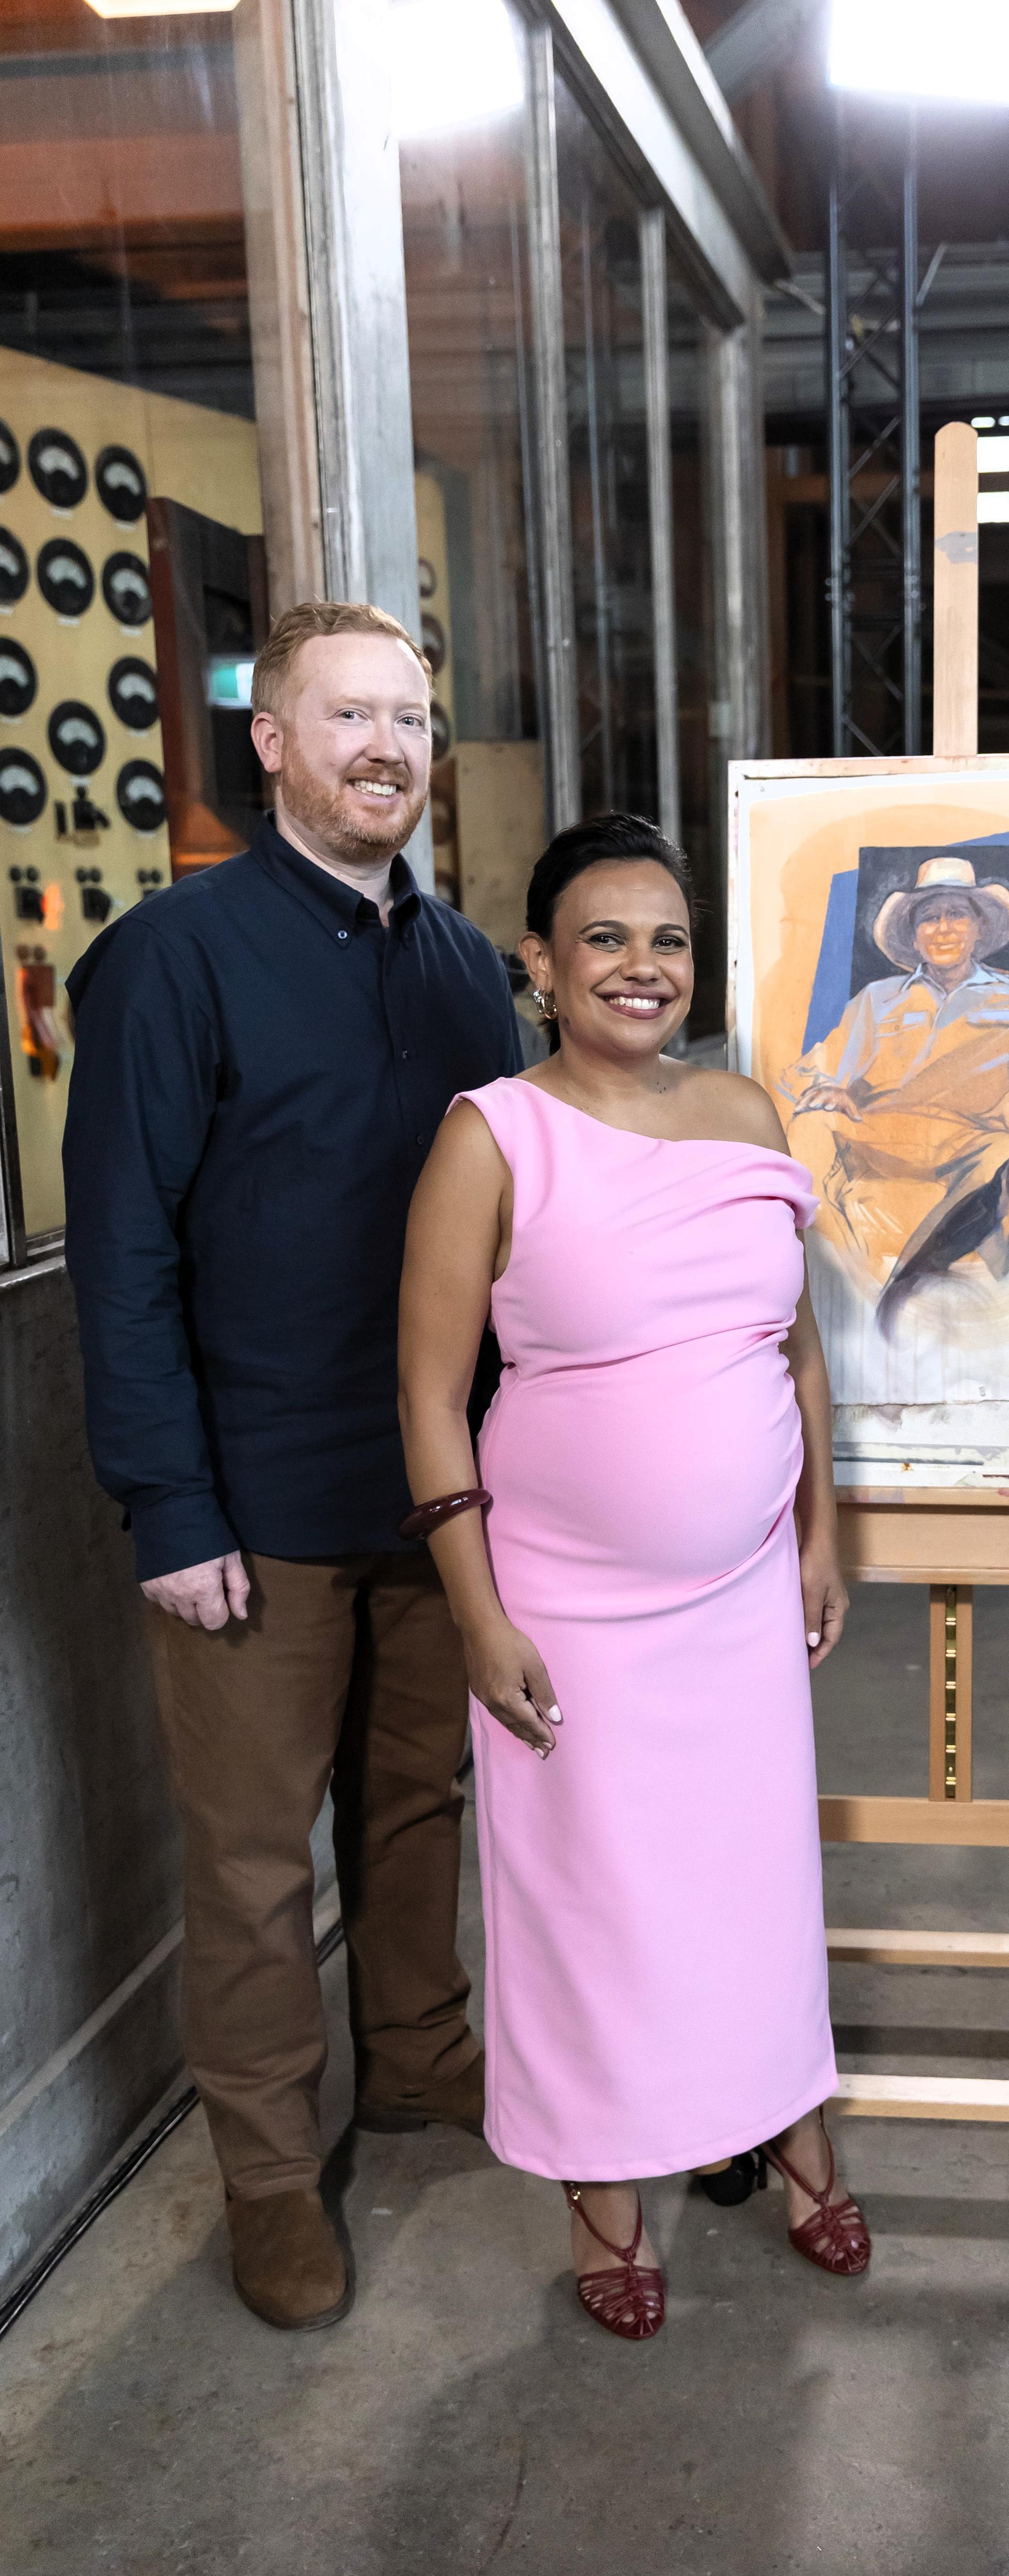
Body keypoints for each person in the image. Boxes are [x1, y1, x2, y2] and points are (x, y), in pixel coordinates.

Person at [63, 599, 520, 2332]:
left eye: (408, 717)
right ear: (271, 741)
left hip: (434, 1492)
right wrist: (168, 1505)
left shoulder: (467, 970)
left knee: (417, 1805)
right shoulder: (173, 959)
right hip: (251, 1508)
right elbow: (121, 1253)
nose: (384, 747)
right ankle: (268, 2179)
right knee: (258, 1867)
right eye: (347, 716)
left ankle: (414, 2054)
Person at [397, 811, 868, 2343]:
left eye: (668, 938)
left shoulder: (743, 1109)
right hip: (565, 1610)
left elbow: (795, 1344)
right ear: (539, 964)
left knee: (751, 1884)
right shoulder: (491, 1135)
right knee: (592, 1901)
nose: (641, 965)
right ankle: (604, 2188)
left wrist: (821, 1529)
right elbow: (428, 1396)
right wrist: (477, 1615)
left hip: (740, 1597)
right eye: (604, 937)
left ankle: (788, 2129)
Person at [778, 854, 1009, 1283]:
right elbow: (814, 1068)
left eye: (957, 915)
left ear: (979, 927)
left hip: (975, 1140)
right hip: (881, 1135)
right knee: (809, 1125)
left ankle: (907, 1276)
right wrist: (829, 1086)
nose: (943, 929)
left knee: (1005, 1156)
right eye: (929, 918)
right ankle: (840, 1273)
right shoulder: (877, 998)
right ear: (913, 934)